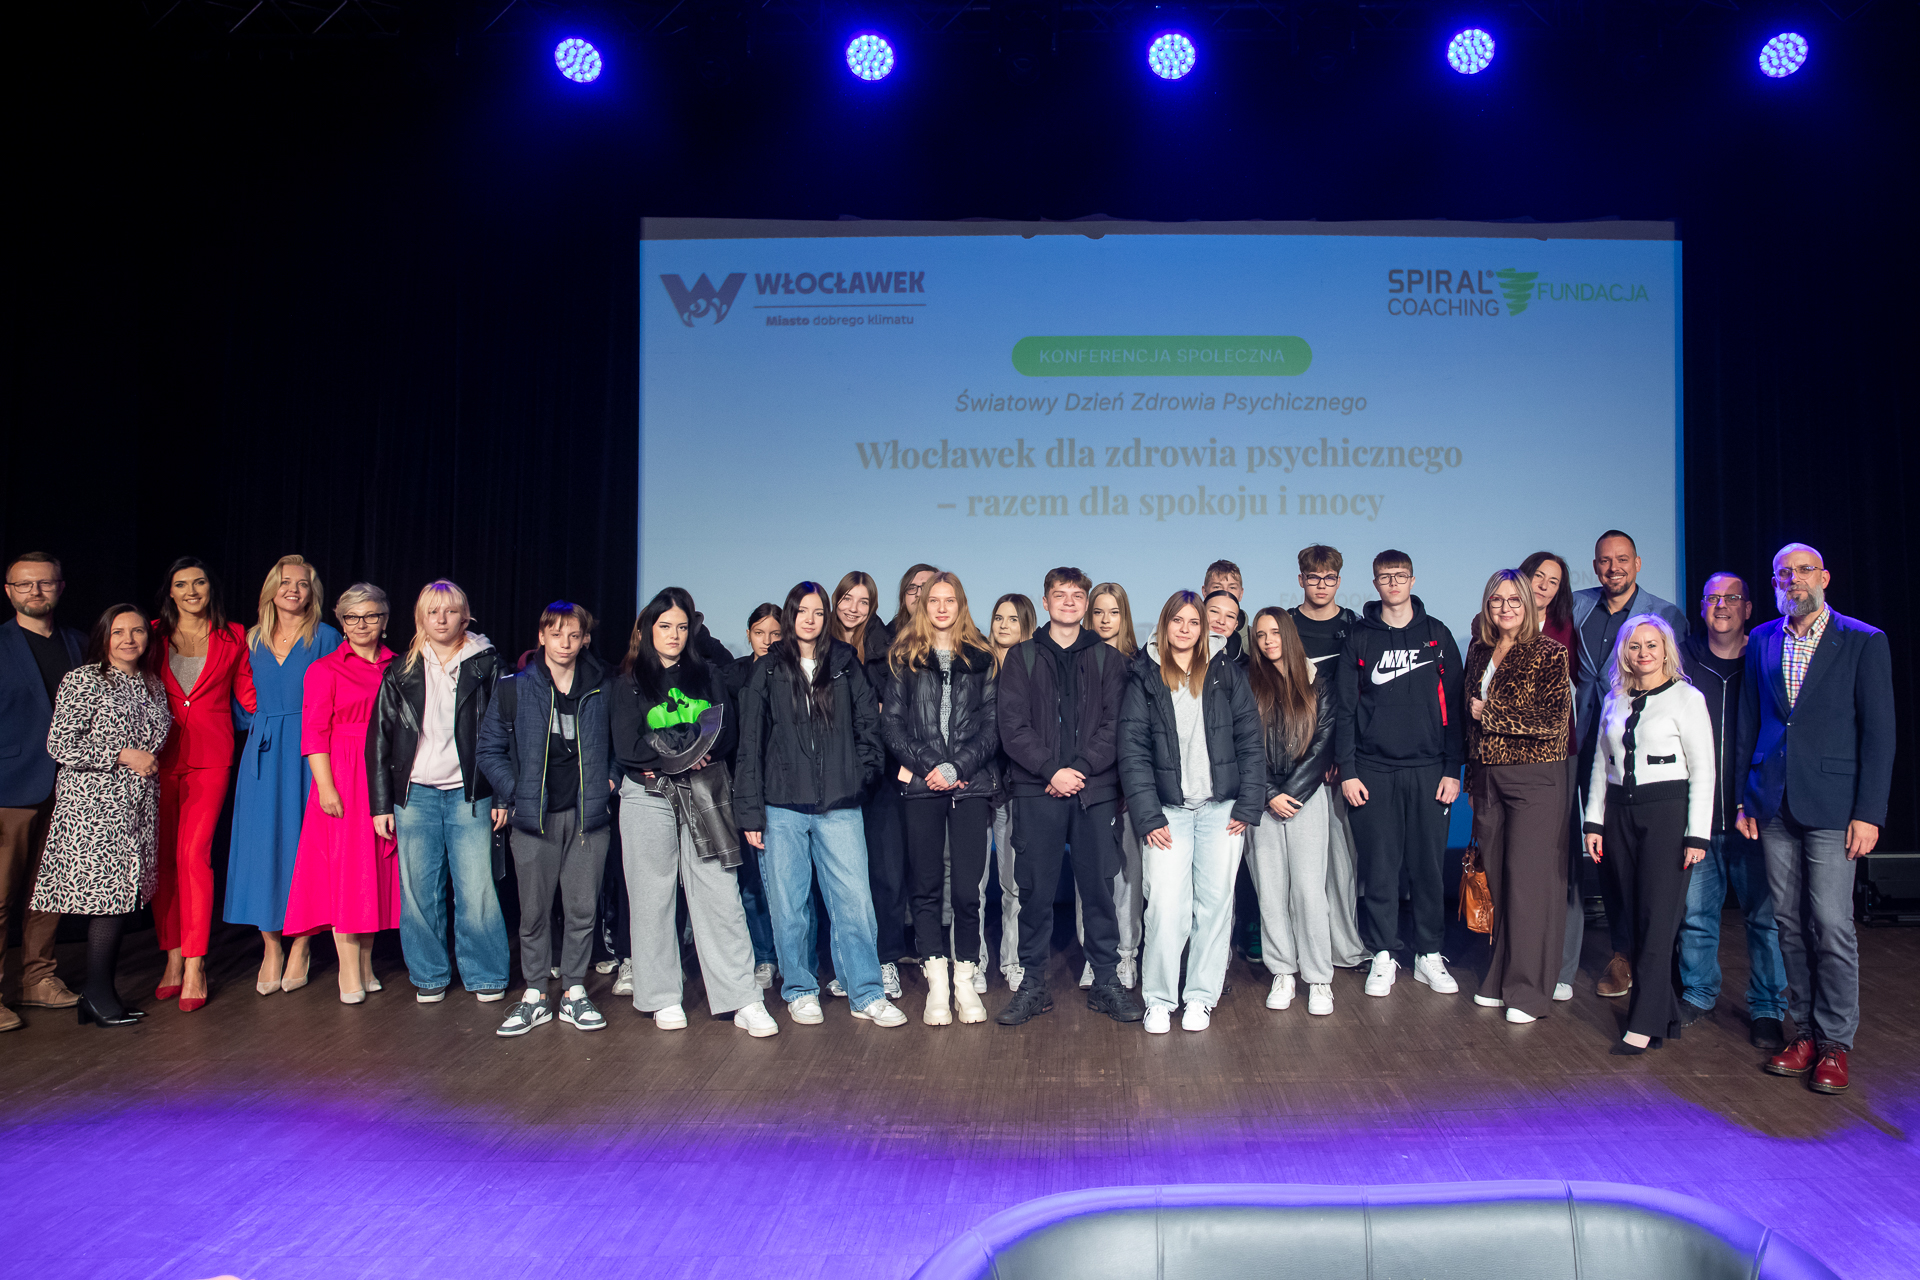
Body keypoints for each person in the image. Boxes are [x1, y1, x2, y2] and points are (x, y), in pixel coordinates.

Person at [1736, 544, 1895, 1094]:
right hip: (1773, 801)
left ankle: (1834, 1044)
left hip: (1834, 804)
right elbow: (1751, 722)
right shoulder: (1763, 638)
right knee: (1787, 922)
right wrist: (1745, 797)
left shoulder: (1863, 640)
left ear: (1824, 577)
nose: (1793, 580)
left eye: (1803, 570)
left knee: (1830, 923)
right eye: (1783, 573)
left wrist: (1869, 813)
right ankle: (1803, 1033)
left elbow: (1879, 735)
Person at [733, 581, 905, 1028]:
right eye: (801, 611)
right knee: (790, 907)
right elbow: (749, 745)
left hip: (839, 806)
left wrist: (859, 778)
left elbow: (870, 728)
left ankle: (867, 993)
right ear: (790, 616)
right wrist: (750, 812)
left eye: (818, 612)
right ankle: (800, 990)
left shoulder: (845, 664)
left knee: (855, 904)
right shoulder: (768, 669)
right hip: (781, 807)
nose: (810, 619)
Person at [607, 590, 776, 1037]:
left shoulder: (708, 675)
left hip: (705, 792)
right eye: (665, 626)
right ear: (647, 629)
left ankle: (742, 997)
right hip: (648, 796)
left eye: (682, 627)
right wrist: (688, 747)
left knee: (720, 893)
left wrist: (681, 750)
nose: (674, 635)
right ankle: (662, 996)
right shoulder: (627, 682)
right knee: (652, 897)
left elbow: (725, 735)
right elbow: (629, 747)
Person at [995, 566, 1142, 1026]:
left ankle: (1106, 983)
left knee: (1099, 891)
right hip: (1037, 790)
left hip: (1093, 791)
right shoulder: (1021, 657)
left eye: (1077, 595)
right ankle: (1033, 986)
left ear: (1085, 603)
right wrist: (1050, 770)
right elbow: (1012, 726)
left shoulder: (1108, 660)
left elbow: (1115, 725)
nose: (1070, 602)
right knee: (1035, 893)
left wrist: (1077, 769)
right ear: (1045, 602)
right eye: (1060, 595)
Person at [1118, 591, 1264, 1033]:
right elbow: (1132, 751)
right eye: (1177, 621)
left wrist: (1248, 803)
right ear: (1165, 625)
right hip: (1168, 813)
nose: (1185, 629)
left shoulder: (1225, 670)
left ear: (1204, 629)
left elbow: (1250, 739)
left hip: (1222, 810)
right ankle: (1159, 999)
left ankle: (1200, 996)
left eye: (1194, 622)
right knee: (1165, 907)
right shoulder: (1144, 674)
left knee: (1215, 906)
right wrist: (1148, 815)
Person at [369, 579, 510, 1003]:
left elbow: (508, 733)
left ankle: (485, 974)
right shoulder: (401, 670)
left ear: (465, 617)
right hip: (415, 795)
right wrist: (381, 804)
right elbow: (380, 740)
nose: (442, 619)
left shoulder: (487, 664)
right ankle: (429, 975)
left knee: (477, 889)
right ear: (421, 618)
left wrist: (502, 795)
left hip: (471, 793)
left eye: (450, 611)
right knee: (418, 892)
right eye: (433, 611)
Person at [31, 605, 172, 1026]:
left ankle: (99, 995)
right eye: (118, 632)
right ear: (104, 638)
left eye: (137, 631)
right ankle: (97, 995)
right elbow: (60, 744)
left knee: (122, 899)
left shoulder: (151, 683)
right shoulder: (85, 679)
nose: (129, 639)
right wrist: (123, 754)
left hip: (138, 807)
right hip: (95, 808)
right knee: (107, 902)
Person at [478, 602, 614, 1035]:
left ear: (585, 639)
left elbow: (621, 743)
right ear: (541, 637)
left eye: (574, 635)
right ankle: (535, 994)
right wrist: (516, 792)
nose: (565, 644)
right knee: (534, 912)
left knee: (582, 909)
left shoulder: (604, 686)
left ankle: (574, 991)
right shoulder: (514, 688)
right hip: (534, 817)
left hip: (587, 816)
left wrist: (610, 780)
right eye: (556, 634)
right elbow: (488, 750)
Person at [1335, 550, 1465, 1000]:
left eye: (1400, 575)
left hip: (1429, 770)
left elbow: (1455, 707)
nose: (1393, 582)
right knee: (1380, 868)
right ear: (1374, 583)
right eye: (1385, 576)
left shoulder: (1437, 635)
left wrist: (1452, 768)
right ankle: (1383, 953)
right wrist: (1348, 770)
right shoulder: (1359, 638)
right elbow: (1345, 710)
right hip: (1373, 770)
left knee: (1428, 868)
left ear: (1412, 579)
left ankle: (1429, 954)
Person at [1582, 615, 1714, 1054]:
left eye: (1652, 645)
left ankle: (1642, 1023)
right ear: (1624, 652)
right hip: (1619, 815)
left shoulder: (1688, 699)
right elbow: (1600, 764)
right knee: (1633, 919)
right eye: (1635, 646)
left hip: (1667, 816)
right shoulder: (1614, 698)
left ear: (1666, 649)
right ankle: (1664, 1014)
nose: (1644, 653)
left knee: (1658, 920)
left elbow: (1704, 771)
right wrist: (1594, 821)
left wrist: (1697, 835)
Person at [1571, 531, 1688, 999]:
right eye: (1604, 560)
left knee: (1652, 865)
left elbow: (1676, 683)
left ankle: (1657, 958)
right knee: (1608, 856)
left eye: (1622, 559)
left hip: (1644, 755)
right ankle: (1621, 953)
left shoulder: (1665, 614)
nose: (1613, 567)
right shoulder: (1577, 606)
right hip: (1586, 742)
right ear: (1594, 565)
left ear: (1637, 563)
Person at [1674, 574, 1788, 1051]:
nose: (1722, 605)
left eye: (1732, 598)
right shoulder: (1682, 660)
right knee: (1696, 915)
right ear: (1702, 607)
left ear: (1748, 608)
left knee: (1765, 920)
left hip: (1754, 817)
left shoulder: (1766, 660)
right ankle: (1699, 994)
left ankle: (1767, 1008)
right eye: (1713, 598)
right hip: (1698, 818)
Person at [882, 572, 999, 1026]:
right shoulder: (904, 658)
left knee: (967, 891)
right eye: (934, 600)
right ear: (923, 605)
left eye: (950, 600)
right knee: (926, 888)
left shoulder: (983, 658)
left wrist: (958, 768)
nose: (942, 607)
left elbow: (992, 727)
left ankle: (965, 982)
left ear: (961, 605)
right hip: (921, 787)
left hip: (970, 787)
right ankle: (937, 985)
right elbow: (892, 726)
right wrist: (933, 765)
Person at [225, 555, 341, 997]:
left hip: (309, 751)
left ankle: (302, 944)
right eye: (285, 581)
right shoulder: (251, 638)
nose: (293, 589)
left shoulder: (326, 637)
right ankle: (271, 946)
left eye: (303, 583)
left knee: (302, 845)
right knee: (262, 847)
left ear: (313, 593)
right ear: (271, 589)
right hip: (263, 749)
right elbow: (239, 698)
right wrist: (259, 722)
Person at [1462, 571, 1573, 1024]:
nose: (1505, 608)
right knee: (1497, 882)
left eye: (1514, 600)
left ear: (1527, 604)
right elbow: (1468, 721)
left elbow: (1552, 720)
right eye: (1497, 600)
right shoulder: (1478, 650)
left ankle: (1528, 992)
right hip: (1487, 778)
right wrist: (1471, 776)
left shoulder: (1551, 652)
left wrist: (1492, 712)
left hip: (1534, 779)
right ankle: (1498, 979)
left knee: (1529, 886)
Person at [149, 557, 258, 1011]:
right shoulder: (150, 634)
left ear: (211, 588)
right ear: (170, 592)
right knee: (163, 861)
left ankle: (195, 963)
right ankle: (172, 958)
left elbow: (250, 695)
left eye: (199, 583)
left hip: (211, 759)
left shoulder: (235, 636)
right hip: (156, 760)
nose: (191, 591)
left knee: (193, 856)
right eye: (181, 584)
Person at [283, 584, 398, 1003]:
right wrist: (326, 786)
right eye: (352, 617)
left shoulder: (400, 666)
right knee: (348, 873)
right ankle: (347, 970)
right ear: (341, 622)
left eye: (371, 615)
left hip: (385, 773)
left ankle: (365, 966)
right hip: (345, 775)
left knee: (373, 872)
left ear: (384, 619)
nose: (362, 624)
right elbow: (313, 733)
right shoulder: (324, 669)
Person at [0, 552, 86, 1029]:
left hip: (70, 787)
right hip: (9, 788)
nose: (35, 591)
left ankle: (37, 979)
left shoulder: (80, 644)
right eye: (24, 584)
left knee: (48, 891)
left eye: (45, 583)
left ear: (60, 587)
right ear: (9, 591)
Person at [1243, 607, 1336, 1017]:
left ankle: (1318, 978)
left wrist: (1291, 794)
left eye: (1275, 632)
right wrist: (1268, 794)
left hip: (1306, 799)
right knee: (1270, 891)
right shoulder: (1248, 683)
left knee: (1309, 893)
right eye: (1261, 635)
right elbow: (1242, 744)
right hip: (1263, 802)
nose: (1268, 641)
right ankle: (1282, 972)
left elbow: (1323, 743)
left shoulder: (1319, 683)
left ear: (1289, 634)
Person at [1289, 545, 1368, 971]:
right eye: (1314, 578)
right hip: (1294, 761)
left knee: (1341, 862)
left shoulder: (1354, 627)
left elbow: (1356, 700)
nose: (1322, 585)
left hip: (1339, 763)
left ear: (1339, 580)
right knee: (1298, 870)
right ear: (1301, 579)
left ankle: (1344, 946)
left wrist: (1341, 755)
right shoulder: (1285, 625)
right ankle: (1298, 950)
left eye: (1330, 578)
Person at [862, 564, 935, 999]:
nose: (921, 594)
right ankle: (887, 957)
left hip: (936, 776)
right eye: (913, 588)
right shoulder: (879, 641)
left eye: (930, 588)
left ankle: (933, 955)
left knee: (930, 874)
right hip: (888, 778)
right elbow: (877, 712)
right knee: (887, 874)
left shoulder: (954, 643)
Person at [1520, 550, 1584, 1005]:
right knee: (1520, 863)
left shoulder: (1566, 630)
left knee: (1562, 857)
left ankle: (1562, 966)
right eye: (1537, 576)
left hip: (1560, 754)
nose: (1543, 585)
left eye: (1553, 581)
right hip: (1509, 759)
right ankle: (1520, 962)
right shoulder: (1492, 624)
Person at [1081, 582, 1143, 991]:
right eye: (1098, 612)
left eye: (1114, 612)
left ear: (1125, 616)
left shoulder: (1139, 664)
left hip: (1131, 786)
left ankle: (1126, 955)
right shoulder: (1078, 661)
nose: (1105, 620)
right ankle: (1094, 956)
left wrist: (1128, 785)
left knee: (1129, 876)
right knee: (1092, 876)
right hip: (1093, 784)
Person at [723, 602, 785, 993]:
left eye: (775, 634)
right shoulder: (731, 675)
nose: (767, 640)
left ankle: (797, 958)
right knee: (750, 883)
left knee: (790, 885)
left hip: (781, 788)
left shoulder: (791, 672)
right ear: (748, 635)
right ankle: (765, 957)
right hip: (742, 787)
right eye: (759, 633)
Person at [981, 592, 1035, 991]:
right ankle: (973, 962)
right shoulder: (976, 667)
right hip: (977, 785)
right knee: (972, 885)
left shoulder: (1034, 670)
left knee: (1013, 885)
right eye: (999, 617)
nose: (1003, 625)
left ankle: (1012, 960)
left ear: (1026, 625)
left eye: (1013, 619)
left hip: (1017, 789)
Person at [1201, 559, 1249, 661]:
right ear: (1204, 592)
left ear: (1241, 594)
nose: (1225, 592)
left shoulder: (1253, 637)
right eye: (1217, 587)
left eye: (1232, 588)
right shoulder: (1186, 633)